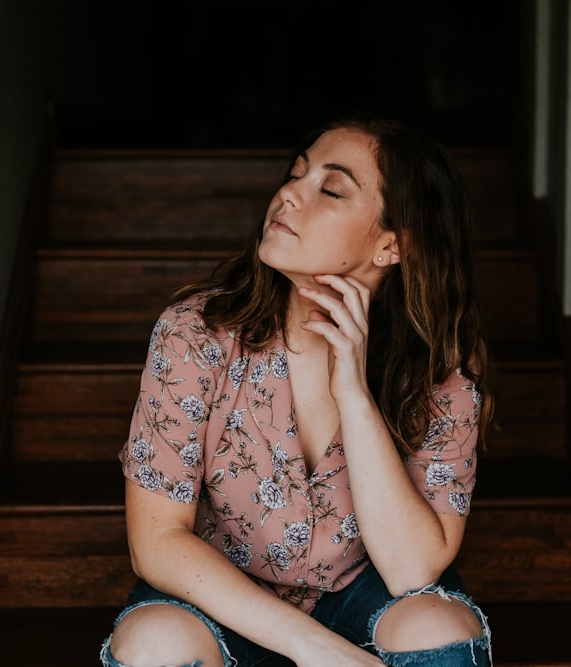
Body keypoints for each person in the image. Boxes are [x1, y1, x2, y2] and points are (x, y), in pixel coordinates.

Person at [100, 113, 494, 667]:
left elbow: (412, 571)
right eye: (295, 173)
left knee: (439, 626)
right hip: (221, 603)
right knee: (154, 644)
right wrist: (319, 651)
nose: (288, 194)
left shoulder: (442, 363)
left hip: (361, 598)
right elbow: (156, 541)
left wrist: (354, 393)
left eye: (330, 189)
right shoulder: (195, 333)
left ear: (391, 246)